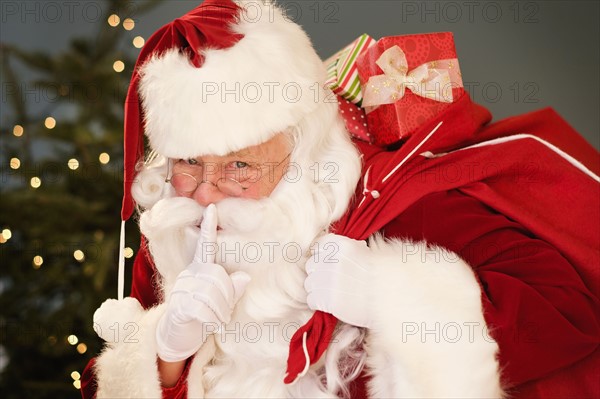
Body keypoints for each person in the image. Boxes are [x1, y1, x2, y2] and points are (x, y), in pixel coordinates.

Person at [82, 0, 600, 398]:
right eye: (188, 163)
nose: (207, 191)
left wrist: (392, 296)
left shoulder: (393, 201)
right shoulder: (178, 231)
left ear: (300, 146)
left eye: (240, 165)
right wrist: (166, 354)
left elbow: (567, 309)